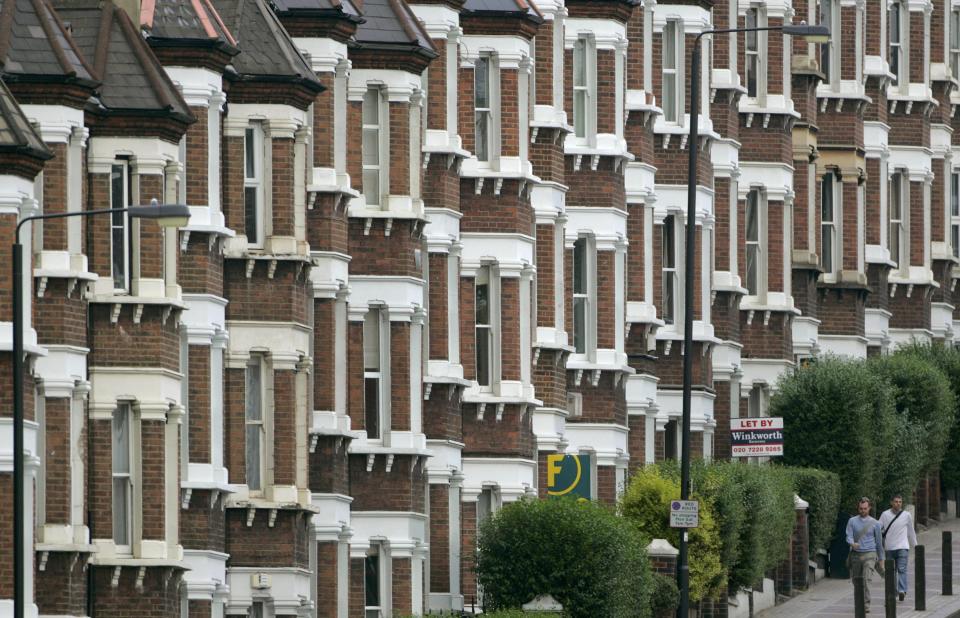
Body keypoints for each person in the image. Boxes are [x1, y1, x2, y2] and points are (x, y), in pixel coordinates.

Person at [846, 497, 885, 612]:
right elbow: (848, 535)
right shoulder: (852, 521)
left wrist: (881, 558)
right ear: (858, 508)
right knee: (856, 580)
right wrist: (852, 543)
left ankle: (866, 604)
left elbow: (879, 542)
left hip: (870, 554)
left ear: (869, 508)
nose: (863, 511)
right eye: (861, 509)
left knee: (866, 579)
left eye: (865, 508)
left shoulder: (875, 523)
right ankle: (859, 602)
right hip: (856, 555)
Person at [879, 494, 918, 602]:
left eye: (900, 502)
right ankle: (895, 591)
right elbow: (878, 528)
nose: (898, 504)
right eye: (896, 501)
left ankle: (901, 590)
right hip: (889, 548)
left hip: (903, 547)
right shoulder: (885, 515)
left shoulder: (906, 515)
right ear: (891, 502)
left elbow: (911, 531)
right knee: (891, 571)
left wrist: (916, 546)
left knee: (902, 569)